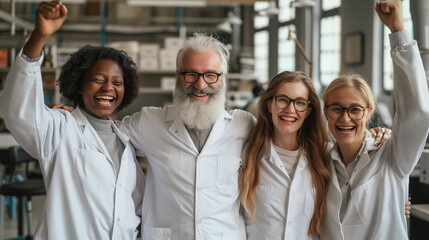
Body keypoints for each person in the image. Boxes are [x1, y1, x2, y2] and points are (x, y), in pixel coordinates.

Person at [0, 1, 145, 239]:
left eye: (117, 82)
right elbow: (20, 111)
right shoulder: (59, 128)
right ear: (79, 86)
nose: (108, 88)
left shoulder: (125, 141)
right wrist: (39, 36)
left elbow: (134, 205)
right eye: (98, 79)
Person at [118, 33, 255, 239]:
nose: (200, 85)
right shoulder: (149, 122)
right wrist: (74, 117)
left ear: (223, 78)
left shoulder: (244, 126)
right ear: (178, 75)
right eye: (191, 74)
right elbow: (101, 134)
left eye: (211, 75)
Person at [321, 1, 429, 239]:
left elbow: (416, 111)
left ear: (369, 111)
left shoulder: (392, 156)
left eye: (355, 109)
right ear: (326, 111)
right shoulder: (319, 161)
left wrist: (397, 32)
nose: (345, 117)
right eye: (336, 108)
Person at [240, 71, 330, 239]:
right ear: (269, 104)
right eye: (283, 100)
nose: (290, 109)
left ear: (308, 111)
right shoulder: (247, 154)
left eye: (300, 103)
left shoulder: (324, 155)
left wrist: (375, 135)